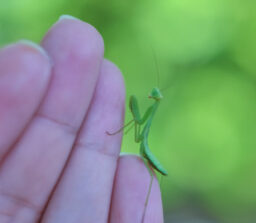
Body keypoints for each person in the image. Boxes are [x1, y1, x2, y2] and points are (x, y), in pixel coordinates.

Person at [0, 15, 164, 222]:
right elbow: (138, 126)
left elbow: (138, 129)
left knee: (148, 177)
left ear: (157, 99)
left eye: (154, 95)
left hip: (147, 153)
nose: (152, 95)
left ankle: (146, 203)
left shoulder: (152, 112)